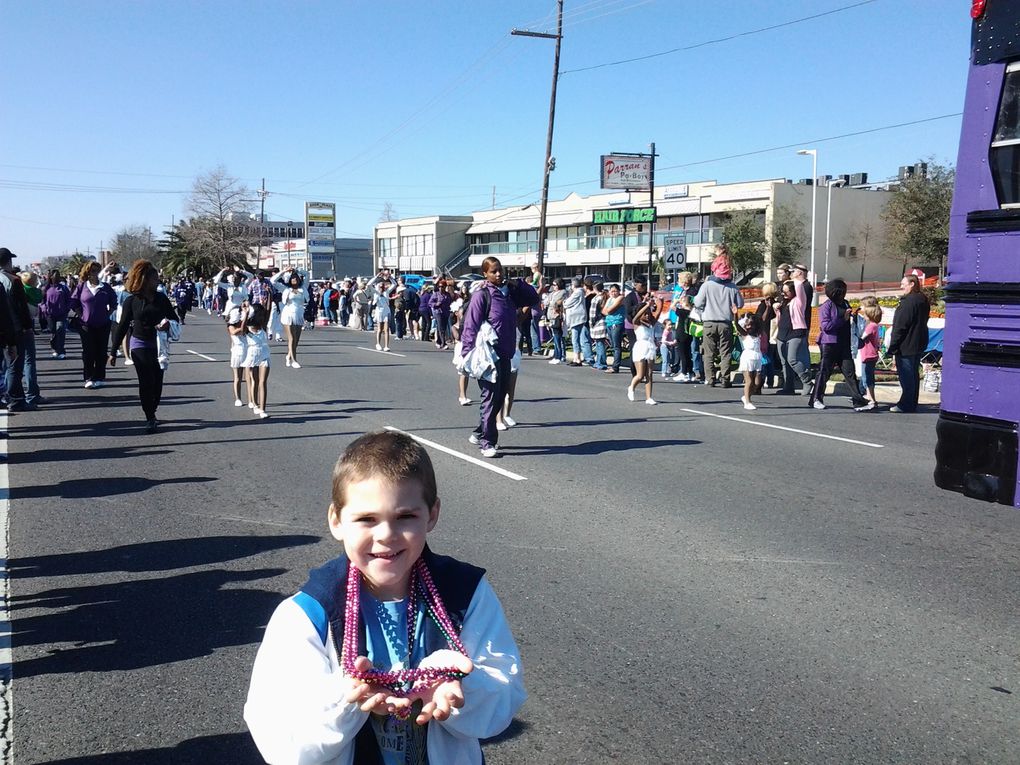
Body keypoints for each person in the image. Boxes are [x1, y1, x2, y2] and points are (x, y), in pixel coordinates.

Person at [244, 430, 526, 763]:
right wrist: (347, 698)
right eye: (366, 519)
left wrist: (459, 688)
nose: (387, 536)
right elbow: (281, 740)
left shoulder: (464, 593)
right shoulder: (307, 614)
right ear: (336, 521)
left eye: (405, 517)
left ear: (432, 515)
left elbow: (503, 695)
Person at [459, 256, 540, 458]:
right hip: (487, 356)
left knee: (499, 396)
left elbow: (533, 299)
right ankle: (488, 442)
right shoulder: (482, 295)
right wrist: (466, 354)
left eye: (500, 270)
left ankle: (480, 431)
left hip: (505, 353)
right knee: (490, 397)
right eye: (493, 271)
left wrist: (518, 284)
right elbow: (470, 325)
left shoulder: (508, 292)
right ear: (485, 273)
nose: (498, 274)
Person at [109, 260, 180, 433]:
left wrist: (167, 325)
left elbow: (175, 319)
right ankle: (149, 416)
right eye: (155, 278)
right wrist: (113, 352)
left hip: (158, 345)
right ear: (145, 280)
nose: (158, 281)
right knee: (146, 381)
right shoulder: (131, 301)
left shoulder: (162, 299)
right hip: (139, 344)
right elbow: (122, 326)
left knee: (157, 383)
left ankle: (152, 409)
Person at [809, 278, 870, 411]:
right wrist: (843, 319)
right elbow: (826, 326)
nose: (845, 293)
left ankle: (858, 401)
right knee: (824, 372)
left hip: (844, 343)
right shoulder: (826, 306)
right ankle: (816, 398)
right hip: (829, 343)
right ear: (836, 292)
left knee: (850, 372)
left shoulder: (845, 303)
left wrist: (852, 316)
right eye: (843, 291)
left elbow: (848, 320)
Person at [693, 249, 744, 388]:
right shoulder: (732, 287)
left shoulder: (707, 285)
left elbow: (697, 302)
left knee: (708, 352)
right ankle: (725, 378)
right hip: (726, 323)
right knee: (725, 352)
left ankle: (710, 378)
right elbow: (740, 304)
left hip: (709, 322)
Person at [69, 260, 117, 390]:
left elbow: (114, 302)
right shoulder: (81, 286)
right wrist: (80, 314)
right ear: (87, 273)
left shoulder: (105, 287)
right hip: (86, 325)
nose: (94, 274)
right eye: (92, 271)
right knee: (89, 352)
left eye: (96, 271)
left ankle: (100, 377)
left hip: (103, 324)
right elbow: (73, 302)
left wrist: (108, 314)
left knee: (101, 351)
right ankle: (89, 377)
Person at [886, 273, 930, 413]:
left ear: (912, 284)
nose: (901, 286)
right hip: (919, 341)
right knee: (913, 375)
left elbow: (900, 326)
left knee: (906, 376)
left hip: (906, 344)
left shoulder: (908, 302)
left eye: (903, 284)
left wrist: (892, 346)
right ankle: (912, 402)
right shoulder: (922, 300)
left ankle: (905, 404)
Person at [627, 291, 660, 405]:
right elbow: (636, 316)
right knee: (640, 375)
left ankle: (649, 397)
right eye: (645, 314)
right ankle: (631, 387)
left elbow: (658, 312)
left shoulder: (651, 323)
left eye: (648, 313)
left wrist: (659, 301)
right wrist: (647, 305)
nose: (647, 315)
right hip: (640, 347)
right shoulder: (637, 323)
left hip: (650, 347)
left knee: (649, 374)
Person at [273, 268, 309, 368]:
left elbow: (307, 274)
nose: (295, 280)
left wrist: (296, 270)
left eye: (297, 278)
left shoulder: (303, 288)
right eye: (293, 278)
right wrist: (284, 271)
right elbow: (273, 281)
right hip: (288, 314)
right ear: (289, 280)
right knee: (291, 338)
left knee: (296, 340)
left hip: (299, 314)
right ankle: (294, 360)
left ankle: (289, 355)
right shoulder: (285, 289)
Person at [244, 303, 271, 418]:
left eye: (261, 313)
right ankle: (255, 404)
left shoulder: (263, 325)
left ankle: (262, 409)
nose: (261, 315)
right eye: (258, 313)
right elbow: (241, 327)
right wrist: (245, 313)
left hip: (264, 354)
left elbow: (268, 310)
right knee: (254, 380)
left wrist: (269, 294)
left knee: (263, 382)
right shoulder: (247, 327)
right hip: (252, 355)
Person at [855, 301, 884, 412]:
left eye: (866, 314)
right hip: (871, 354)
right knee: (868, 377)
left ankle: (872, 400)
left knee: (867, 378)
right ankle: (869, 398)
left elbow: (862, 337)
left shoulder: (870, 326)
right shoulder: (875, 326)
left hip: (868, 354)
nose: (864, 315)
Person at [735, 313, 764, 410]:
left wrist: (768, 308)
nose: (750, 327)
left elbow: (763, 319)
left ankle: (746, 396)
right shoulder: (745, 334)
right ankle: (747, 402)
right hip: (747, 358)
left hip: (757, 357)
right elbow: (737, 324)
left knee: (756, 383)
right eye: (748, 325)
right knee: (749, 381)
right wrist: (735, 314)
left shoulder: (758, 333)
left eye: (751, 324)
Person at [564, 277, 592, 367]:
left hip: (577, 318)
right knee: (576, 339)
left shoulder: (578, 292)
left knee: (575, 339)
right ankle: (576, 357)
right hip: (576, 318)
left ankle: (578, 358)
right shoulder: (579, 292)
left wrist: (564, 302)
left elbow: (567, 303)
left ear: (573, 285)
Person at [226, 303, 249, 407]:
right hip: (237, 353)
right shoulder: (231, 326)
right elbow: (236, 332)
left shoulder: (245, 324)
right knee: (238, 378)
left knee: (249, 377)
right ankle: (238, 398)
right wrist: (244, 319)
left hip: (247, 351)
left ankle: (251, 399)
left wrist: (246, 314)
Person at [44, 269, 70, 359]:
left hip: (61, 314)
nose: (57, 278)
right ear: (51, 277)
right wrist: (44, 308)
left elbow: (69, 299)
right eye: (55, 276)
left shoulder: (63, 288)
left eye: (58, 276)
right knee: (53, 332)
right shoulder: (46, 288)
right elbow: (41, 301)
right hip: (50, 315)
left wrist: (67, 309)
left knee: (60, 329)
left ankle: (61, 351)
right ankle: (55, 349)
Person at [602, 283, 626, 374]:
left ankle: (615, 366)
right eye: (611, 291)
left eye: (615, 291)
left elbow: (610, 310)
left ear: (619, 291)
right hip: (609, 322)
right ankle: (614, 364)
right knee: (612, 345)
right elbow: (604, 311)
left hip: (617, 323)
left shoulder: (620, 298)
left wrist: (608, 311)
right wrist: (608, 311)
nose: (613, 293)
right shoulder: (609, 299)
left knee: (616, 346)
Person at [545, 278, 566, 365]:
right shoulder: (552, 293)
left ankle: (560, 356)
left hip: (557, 317)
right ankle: (556, 354)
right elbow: (546, 302)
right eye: (553, 285)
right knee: (555, 337)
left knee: (559, 337)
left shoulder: (563, 292)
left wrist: (551, 302)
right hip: (550, 316)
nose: (553, 287)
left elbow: (555, 303)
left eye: (555, 285)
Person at [588, 281, 608, 370]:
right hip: (604, 321)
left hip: (597, 323)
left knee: (599, 344)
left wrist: (591, 323)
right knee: (601, 343)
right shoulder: (605, 297)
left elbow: (592, 314)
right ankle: (601, 361)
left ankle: (601, 362)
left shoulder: (596, 299)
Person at [371, 281, 392, 351]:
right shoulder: (376, 293)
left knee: (386, 329)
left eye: (383, 286)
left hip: (386, 311)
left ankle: (386, 346)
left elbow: (394, 284)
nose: (382, 288)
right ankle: (378, 343)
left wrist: (390, 277)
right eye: (380, 286)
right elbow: (369, 284)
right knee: (379, 329)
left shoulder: (386, 292)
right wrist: (377, 276)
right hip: (379, 312)